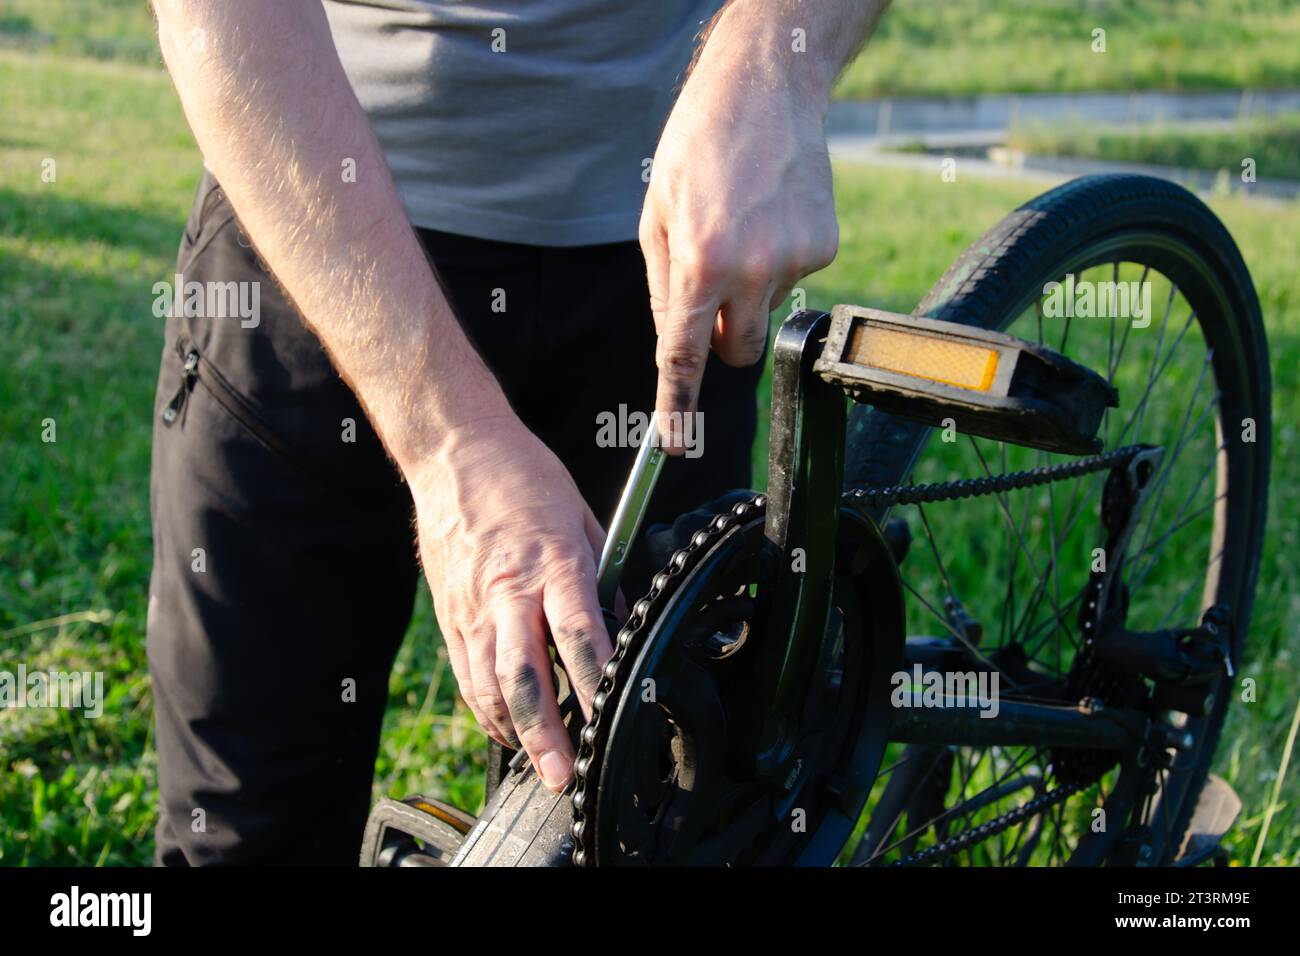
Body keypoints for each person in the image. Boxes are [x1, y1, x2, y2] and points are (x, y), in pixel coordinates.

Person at [145, 0, 890, 865]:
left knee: (660, 816)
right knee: (247, 833)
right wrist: (449, 440)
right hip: (311, 232)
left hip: (672, 259)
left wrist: (775, 61)